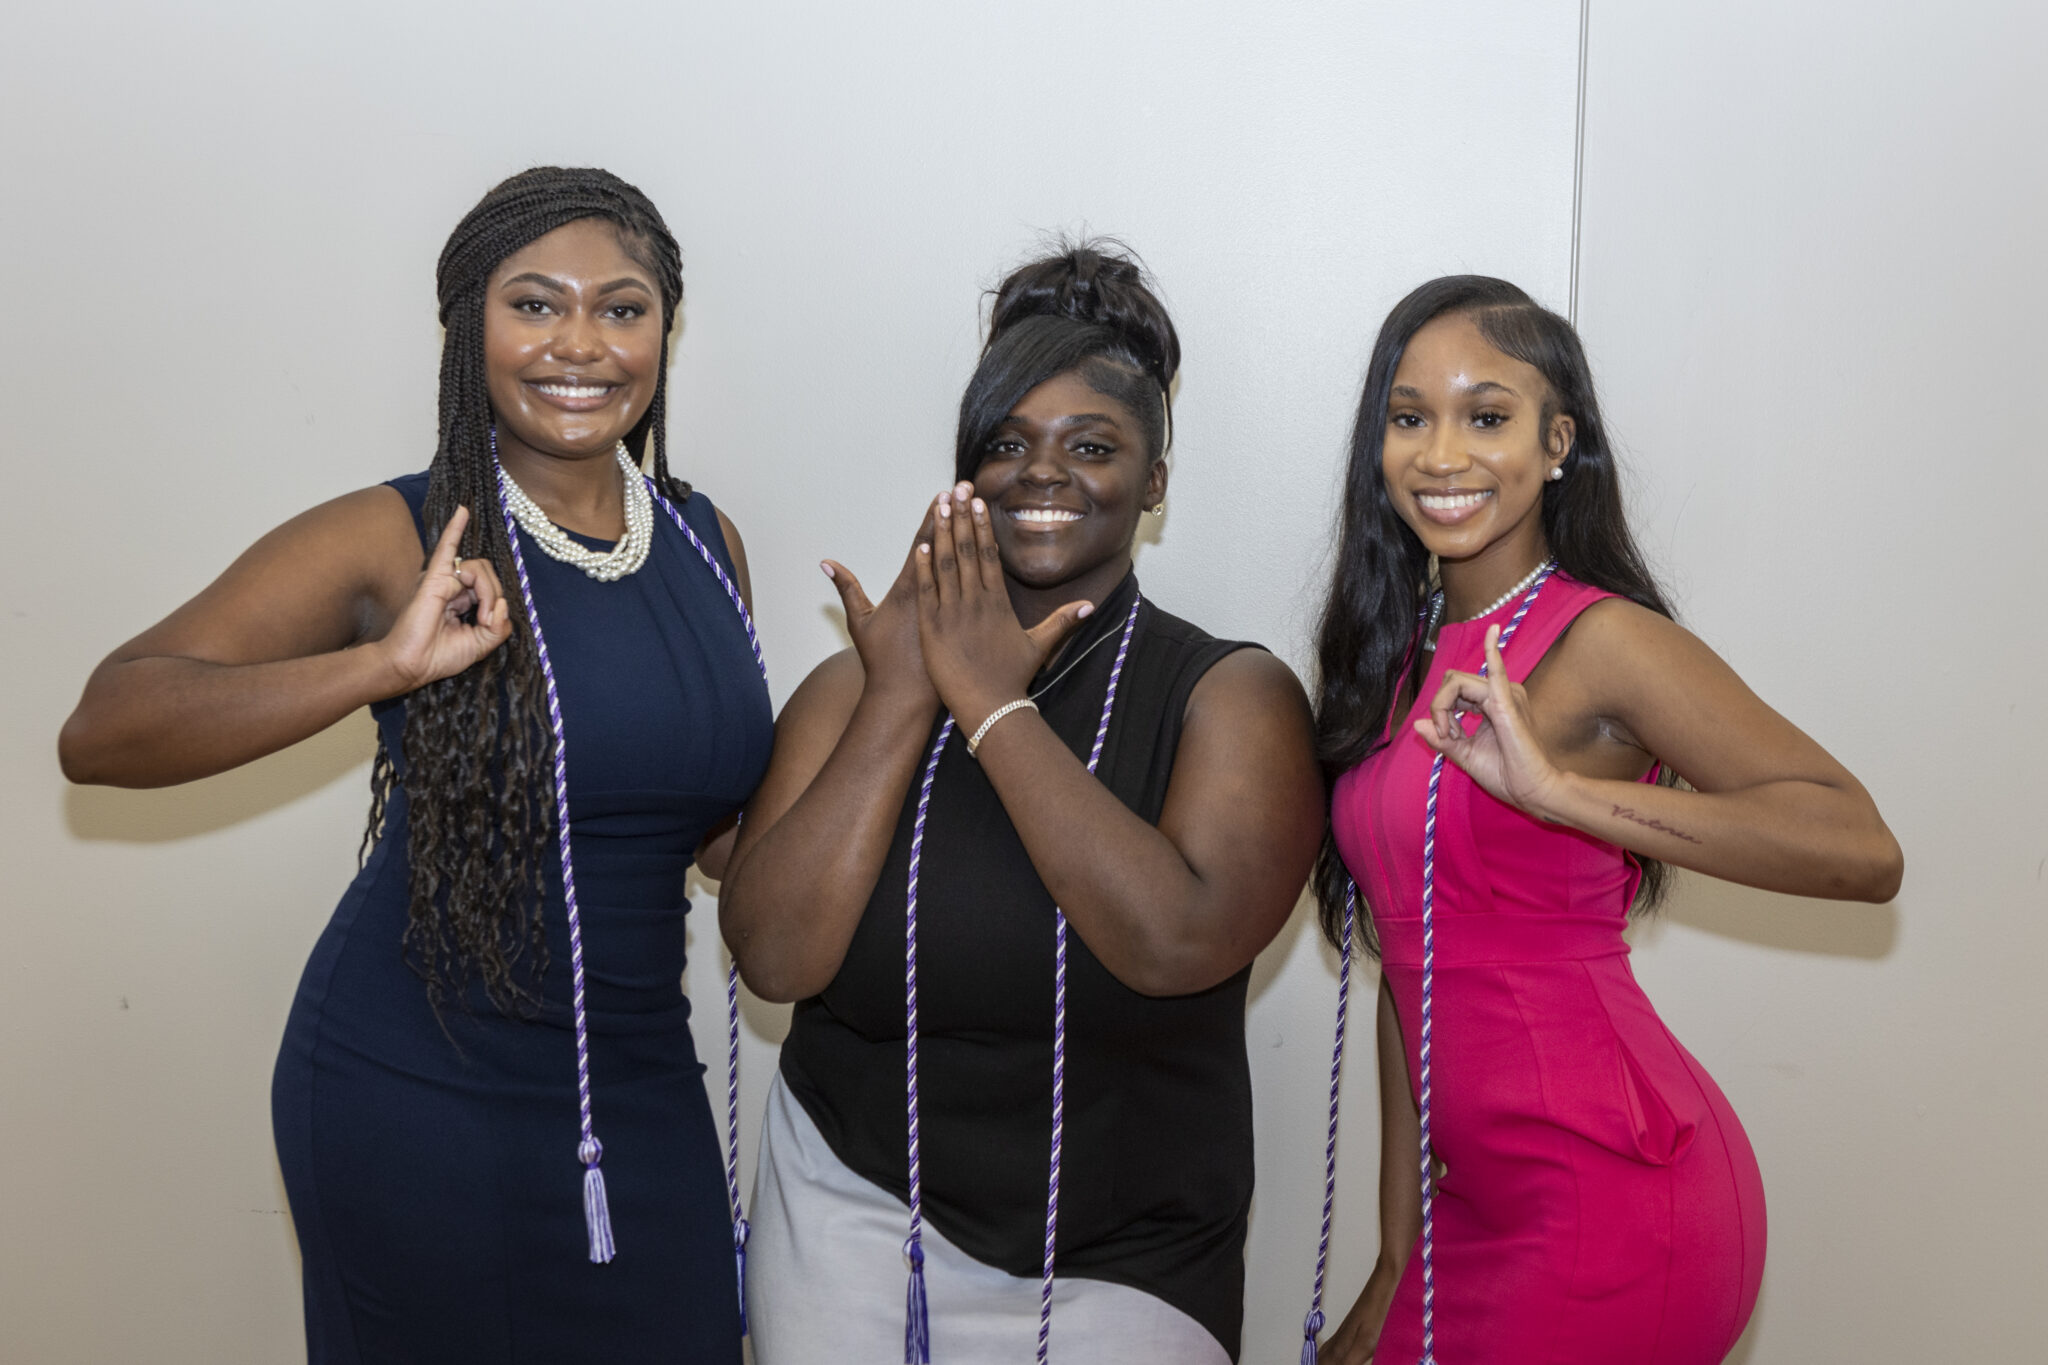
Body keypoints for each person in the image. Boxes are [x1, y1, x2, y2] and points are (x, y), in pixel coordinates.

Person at [58, 167, 769, 1364]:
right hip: (418, 1095)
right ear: (467, 333)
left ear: (664, 330)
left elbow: (709, 836)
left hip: (635, 1091)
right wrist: (381, 669)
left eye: (623, 308)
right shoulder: (396, 532)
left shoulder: (704, 542)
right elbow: (108, 727)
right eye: (534, 306)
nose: (581, 344)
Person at [720, 242, 1323, 1364]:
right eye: (1007, 444)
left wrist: (993, 710)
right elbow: (773, 957)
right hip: (853, 1219)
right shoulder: (859, 683)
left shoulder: (1229, 697)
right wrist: (905, 692)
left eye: (1092, 447)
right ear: (964, 473)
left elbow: (1170, 942)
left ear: (1153, 481)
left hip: (1129, 1256)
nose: (1042, 474)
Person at [1309, 276, 1903, 1364]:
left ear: (1555, 443)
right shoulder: (1390, 665)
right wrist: (1394, 1258)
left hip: (1609, 1195)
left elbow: (1859, 849)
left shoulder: (1601, 640)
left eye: (1485, 416)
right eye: (1408, 418)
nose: (1441, 454)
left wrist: (1562, 795)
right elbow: (1411, 971)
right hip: (1465, 1212)